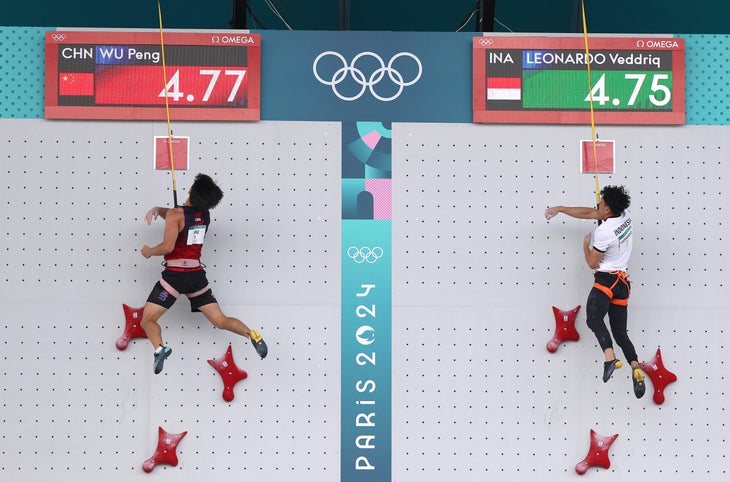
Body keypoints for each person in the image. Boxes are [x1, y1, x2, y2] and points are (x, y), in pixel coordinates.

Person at [139, 173, 267, 374]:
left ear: (190, 190)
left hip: (175, 277)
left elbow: (167, 246)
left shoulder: (176, 214)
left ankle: (159, 348)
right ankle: (251, 334)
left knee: (148, 319)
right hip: (197, 277)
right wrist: (159, 210)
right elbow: (179, 216)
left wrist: (149, 252)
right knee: (220, 320)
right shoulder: (205, 215)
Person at [544, 185, 645, 399]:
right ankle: (635, 366)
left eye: (601, 203)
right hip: (622, 284)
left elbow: (592, 262)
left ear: (607, 210)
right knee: (620, 332)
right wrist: (560, 209)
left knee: (593, 319)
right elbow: (591, 213)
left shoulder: (604, 231)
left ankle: (610, 358)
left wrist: (585, 247)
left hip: (607, 280)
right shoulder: (626, 215)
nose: (598, 206)